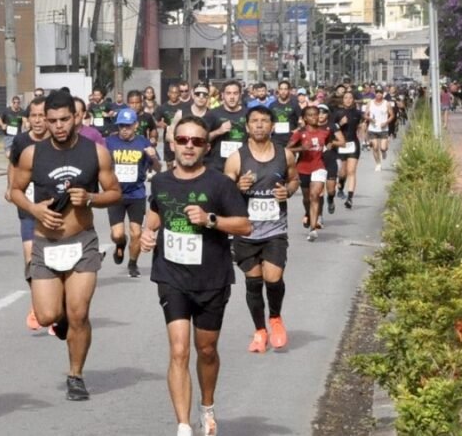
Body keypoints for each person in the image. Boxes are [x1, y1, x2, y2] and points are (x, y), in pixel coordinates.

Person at [140, 115, 251, 436]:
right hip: (171, 275)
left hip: (212, 278)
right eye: (183, 140)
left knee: (206, 350)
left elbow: (244, 225)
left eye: (197, 142)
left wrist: (210, 219)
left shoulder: (220, 184)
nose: (189, 147)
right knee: (178, 350)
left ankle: (207, 406)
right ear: (172, 143)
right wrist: (147, 235)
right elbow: (155, 215)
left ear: (207, 147)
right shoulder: (160, 181)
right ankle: (184, 425)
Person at [10, 90, 122, 400]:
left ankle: (76, 375)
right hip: (46, 243)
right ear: (43, 121)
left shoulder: (95, 152)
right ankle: (57, 319)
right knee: (47, 316)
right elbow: (15, 190)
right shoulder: (33, 154)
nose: (58, 126)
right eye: (52, 121)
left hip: (81, 242)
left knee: (79, 313)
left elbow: (114, 192)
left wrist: (91, 198)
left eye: (64, 119)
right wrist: (34, 210)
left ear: (76, 118)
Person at [224, 106, 298, 353]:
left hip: (275, 229)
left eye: (264, 121)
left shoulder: (284, 154)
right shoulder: (237, 157)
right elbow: (224, 193)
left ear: (272, 126)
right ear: (246, 127)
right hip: (245, 230)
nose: (259, 125)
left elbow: (294, 179)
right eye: (254, 121)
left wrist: (287, 191)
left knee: (273, 278)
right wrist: (237, 186)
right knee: (253, 282)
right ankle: (259, 330)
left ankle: (275, 318)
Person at [4, 97, 50, 331]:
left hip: (53, 209)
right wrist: (11, 188)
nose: (38, 120)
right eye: (34, 116)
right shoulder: (21, 141)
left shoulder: (55, 141)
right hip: (28, 206)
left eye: (42, 116)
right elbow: (13, 165)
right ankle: (38, 303)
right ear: (28, 118)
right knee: (30, 258)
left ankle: (54, 305)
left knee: (52, 259)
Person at [105, 108, 160, 277]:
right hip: (115, 194)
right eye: (121, 126)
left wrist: (154, 158)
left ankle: (132, 263)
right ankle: (120, 244)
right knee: (117, 234)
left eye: (128, 126)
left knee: (136, 232)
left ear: (135, 125)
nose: (124, 129)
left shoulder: (143, 143)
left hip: (136, 194)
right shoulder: (109, 142)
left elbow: (158, 168)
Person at [287, 106, 331, 241]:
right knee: (307, 198)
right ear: (304, 118)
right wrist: (301, 148)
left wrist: (329, 149)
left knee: (314, 195)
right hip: (303, 168)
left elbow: (330, 144)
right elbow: (287, 148)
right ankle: (308, 212)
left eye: (316, 114)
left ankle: (312, 229)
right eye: (310, 115)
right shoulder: (299, 133)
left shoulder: (325, 132)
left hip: (319, 166)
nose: (313, 117)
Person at [203, 80, 248, 172]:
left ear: (240, 95)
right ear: (222, 95)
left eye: (235, 93)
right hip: (217, 165)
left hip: (242, 163)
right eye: (228, 93)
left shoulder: (249, 114)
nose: (232, 97)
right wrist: (218, 131)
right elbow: (202, 138)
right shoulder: (212, 114)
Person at [334, 91, 364, 208]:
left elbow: (361, 123)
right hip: (341, 144)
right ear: (342, 100)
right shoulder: (337, 113)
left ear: (353, 100)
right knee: (343, 172)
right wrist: (340, 123)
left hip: (353, 144)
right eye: (346, 97)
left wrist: (363, 126)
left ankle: (350, 198)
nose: (348, 100)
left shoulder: (357, 113)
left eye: (350, 97)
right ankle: (341, 185)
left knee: (351, 171)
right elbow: (332, 128)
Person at [155, 83, 187, 170]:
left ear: (179, 94)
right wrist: (160, 124)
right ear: (168, 93)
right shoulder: (163, 107)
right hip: (168, 138)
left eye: (176, 93)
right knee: (169, 162)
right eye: (172, 93)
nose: (174, 95)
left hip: (182, 137)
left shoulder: (185, 107)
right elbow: (155, 120)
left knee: (181, 159)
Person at [364, 87, 394, 172]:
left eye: (380, 92)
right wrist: (370, 119)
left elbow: (392, 115)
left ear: (383, 94)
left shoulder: (386, 103)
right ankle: (378, 164)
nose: (379, 94)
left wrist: (386, 122)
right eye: (377, 92)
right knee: (375, 147)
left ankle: (384, 152)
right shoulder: (370, 103)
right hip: (373, 128)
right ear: (375, 93)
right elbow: (365, 115)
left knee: (383, 148)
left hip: (383, 128)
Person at [268, 80, 299, 148]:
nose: (283, 92)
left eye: (285, 89)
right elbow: (268, 120)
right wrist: (271, 127)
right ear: (278, 90)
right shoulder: (272, 105)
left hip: (290, 139)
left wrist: (296, 130)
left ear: (289, 91)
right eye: (281, 89)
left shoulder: (295, 105)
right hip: (276, 139)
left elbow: (302, 120)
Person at [0, 95, 26, 160]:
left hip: (17, 136)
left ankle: (14, 165)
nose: (16, 104)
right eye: (14, 102)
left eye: (18, 103)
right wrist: (2, 125)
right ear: (12, 103)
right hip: (8, 136)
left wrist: (25, 125)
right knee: (8, 154)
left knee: (18, 154)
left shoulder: (22, 112)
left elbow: (25, 120)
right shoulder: (7, 111)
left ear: (20, 103)